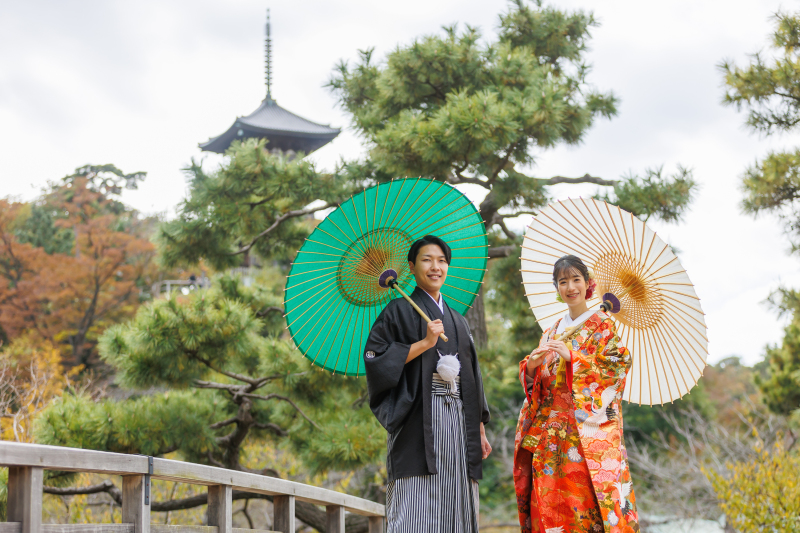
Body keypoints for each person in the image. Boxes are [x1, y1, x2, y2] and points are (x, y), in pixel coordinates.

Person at [363, 235, 492, 533]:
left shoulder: (458, 320)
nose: (435, 267)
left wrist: (479, 427)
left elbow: (472, 375)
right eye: (427, 260)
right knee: (416, 503)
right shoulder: (397, 311)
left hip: (459, 420)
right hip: (420, 419)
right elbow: (377, 360)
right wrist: (424, 342)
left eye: (441, 261)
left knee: (458, 496)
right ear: (411, 266)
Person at [514, 255, 639, 533]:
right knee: (546, 500)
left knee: (582, 502)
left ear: (588, 284)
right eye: (563, 281)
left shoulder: (602, 325)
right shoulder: (551, 331)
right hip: (549, 432)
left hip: (584, 432)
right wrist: (532, 367)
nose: (570, 287)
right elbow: (541, 384)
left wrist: (574, 358)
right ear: (557, 288)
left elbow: (617, 367)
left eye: (576, 279)